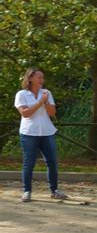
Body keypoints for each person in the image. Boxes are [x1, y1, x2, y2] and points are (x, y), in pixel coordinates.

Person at [14, 67, 68, 202]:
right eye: (39, 77)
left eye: (42, 78)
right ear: (30, 78)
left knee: (52, 162)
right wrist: (40, 102)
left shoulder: (47, 93)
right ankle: (27, 191)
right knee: (29, 163)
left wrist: (47, 101)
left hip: (47, 132)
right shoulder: (21, 94)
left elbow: (52, 113)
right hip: (29, 133)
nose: (42, 80)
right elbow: (25, 113)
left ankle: (54, 190)